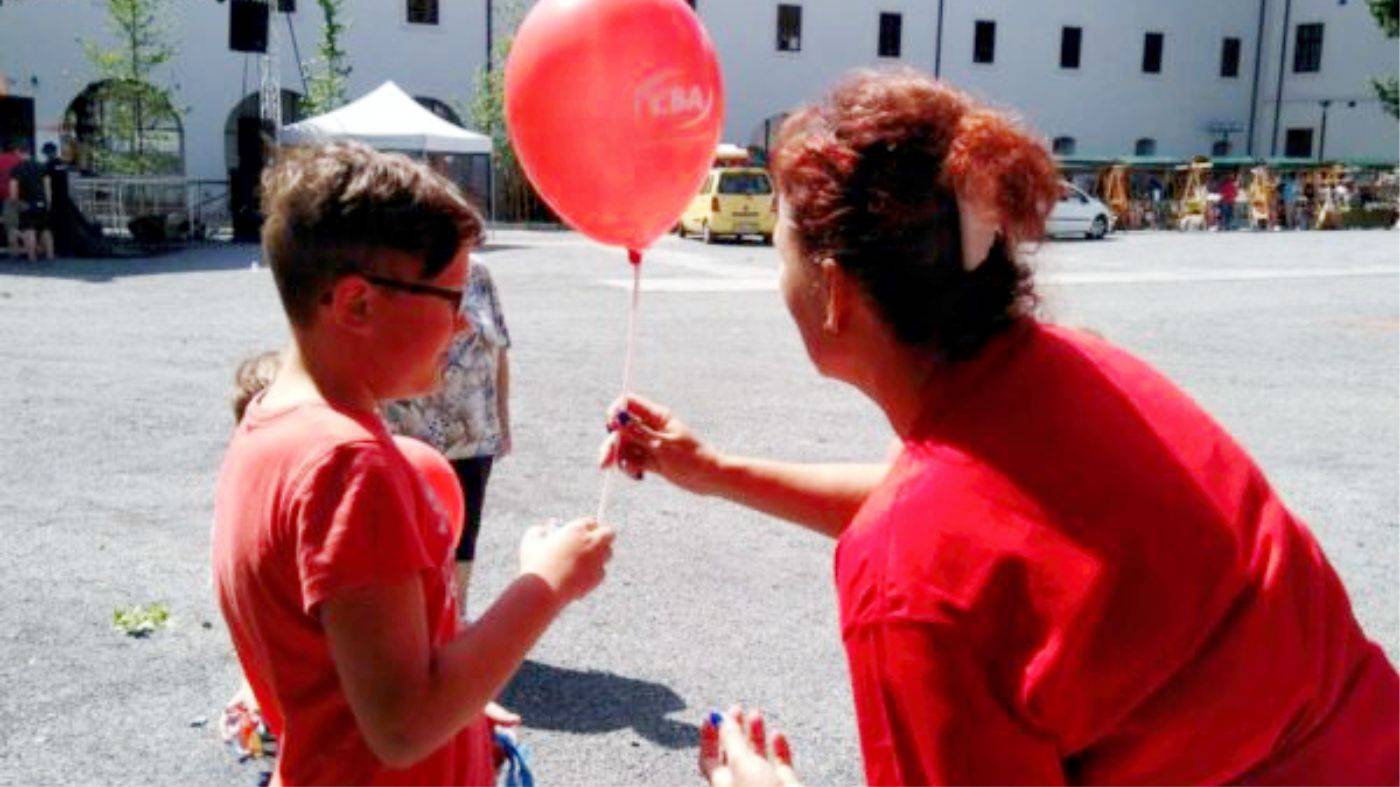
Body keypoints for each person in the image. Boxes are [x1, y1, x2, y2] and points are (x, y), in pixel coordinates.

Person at [602, 69, 1398, 785]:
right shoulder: (1071, 367)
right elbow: (983, 534)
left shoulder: (906, 577)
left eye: (780, 250)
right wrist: (711, 469)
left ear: (836, 291)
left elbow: (942, 551)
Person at [212, 142, 614, 785]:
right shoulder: (347, 467)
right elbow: (401, 728)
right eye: (451, 299)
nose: (463, 328)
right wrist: (546, 582)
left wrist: (463, 701)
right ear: (357, 305)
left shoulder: (271, 422)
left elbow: (351, 675)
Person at [384, 259, 513, 608]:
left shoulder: (480, 273)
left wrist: (502, 418)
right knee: (405, 535)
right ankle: (410, 622)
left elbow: (498, 349)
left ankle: (455, 616)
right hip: (408, 433)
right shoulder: (392, 266)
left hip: (473, 433)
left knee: (464, 534)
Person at [9, 144, 54, 261]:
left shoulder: (16, 169)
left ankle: (32, 257)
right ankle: (50, 255)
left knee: (30, 230)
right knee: (45, 229)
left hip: (27, 203)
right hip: (42, 202)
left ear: (19, 153)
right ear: (30, 152)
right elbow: (47, 186)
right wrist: (48, 202)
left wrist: (15, 203)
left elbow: (13, 189)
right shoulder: (42, 167)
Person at [0, 140, 22, 257]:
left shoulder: (0, 159)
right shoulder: (19, 160)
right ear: (16, 150)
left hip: (4, 196)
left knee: (10, 226)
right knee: (19, 225)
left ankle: (14, 252)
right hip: (19, 197)